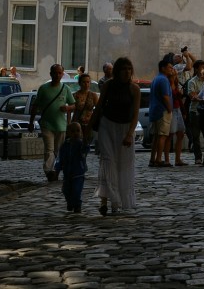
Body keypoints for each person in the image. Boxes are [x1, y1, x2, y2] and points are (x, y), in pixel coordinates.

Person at [95, 57, 140, 216]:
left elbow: (135, 115)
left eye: (129, 69)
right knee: (108, 161)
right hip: (107, 125)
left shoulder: (134, 89)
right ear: (117, 71)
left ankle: (119, 200)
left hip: (125, 128)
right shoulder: (108, 85)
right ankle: (105, 200)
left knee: (123, 165)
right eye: (123, 69)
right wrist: (88, 129)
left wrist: (129, 134)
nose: (127, 72)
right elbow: (99, 106)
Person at [29, 64, 76, 182]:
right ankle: (49, 171)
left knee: (58, 150)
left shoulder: (65, 88)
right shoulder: (43, 88)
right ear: (51, 74)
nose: (57, 75)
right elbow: (35, 105)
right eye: (55, 73)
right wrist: (31, 122)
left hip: (61, 125)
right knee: (49, 149)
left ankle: (55, 170)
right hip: (46, 124)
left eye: (60, 73)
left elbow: (74, 105)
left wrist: (68, 108)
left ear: (62, 74)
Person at [54, 122, 89, 214]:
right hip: (67, 173)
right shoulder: (65, 145)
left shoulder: (81, 144)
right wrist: (57, 170)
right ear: (68, 133)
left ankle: (77, 205)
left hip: (78, 173)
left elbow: (85, 150)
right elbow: (60, 158)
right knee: (66, 190)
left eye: (78, 131)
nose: (75, 133)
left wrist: (85, 140)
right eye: (73, 131)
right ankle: (69, 202)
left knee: (77, 190)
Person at [148, 59, 174, 168]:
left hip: (154, 110)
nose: (171, 69)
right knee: (162, 135)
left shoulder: (156, 78)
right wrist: (170, 108)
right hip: (162, 110)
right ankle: (158, 159)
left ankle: (152, 159)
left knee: (156, 136)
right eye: (169, 67)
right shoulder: (163, 79)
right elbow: (165, 96)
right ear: (163, 68)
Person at [164, 68, 188, 166]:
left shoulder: (176, 83)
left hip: (178, 109)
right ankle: (167, 159)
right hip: (172, 109)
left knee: (180, 133)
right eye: (172, 70)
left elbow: (179, 99)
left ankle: (178, 159)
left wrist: (183, 111)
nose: (174, 71)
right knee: (170, 135)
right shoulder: (167, 84)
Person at [185, 59, 204, 165]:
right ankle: (198, 157)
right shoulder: (192, 82)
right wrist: (203, 96)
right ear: (197, 69)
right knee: (195, 135)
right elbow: (192, 97)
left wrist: (199, 95)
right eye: (202, 67)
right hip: (195, 111)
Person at [71, 73, 99, 146]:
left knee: (86, 144)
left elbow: (98, 110)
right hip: (77, 124)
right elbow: (70, 110)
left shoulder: (93, 95)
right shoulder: (75, 95)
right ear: (80, 83)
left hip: (89, 124)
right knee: (77, 144)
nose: (86, 84)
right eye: (84, 82)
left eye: (88, 82)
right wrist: (69, 124)